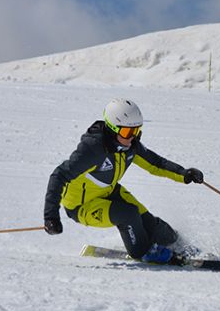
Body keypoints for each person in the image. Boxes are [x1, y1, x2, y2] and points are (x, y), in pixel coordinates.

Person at [43, 99, 204, 263]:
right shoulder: (92, 150)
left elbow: (155, 164)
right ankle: (143, 252)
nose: (133, 138)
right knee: (127, 214)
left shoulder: (129, 145)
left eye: (137, 131)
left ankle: (179, 246)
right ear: (113, 129)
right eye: (128, 132)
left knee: (154, 226)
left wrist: (185, 174)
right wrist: (51, 217)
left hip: (108, 191)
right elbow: (59, 175)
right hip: (81, 205)